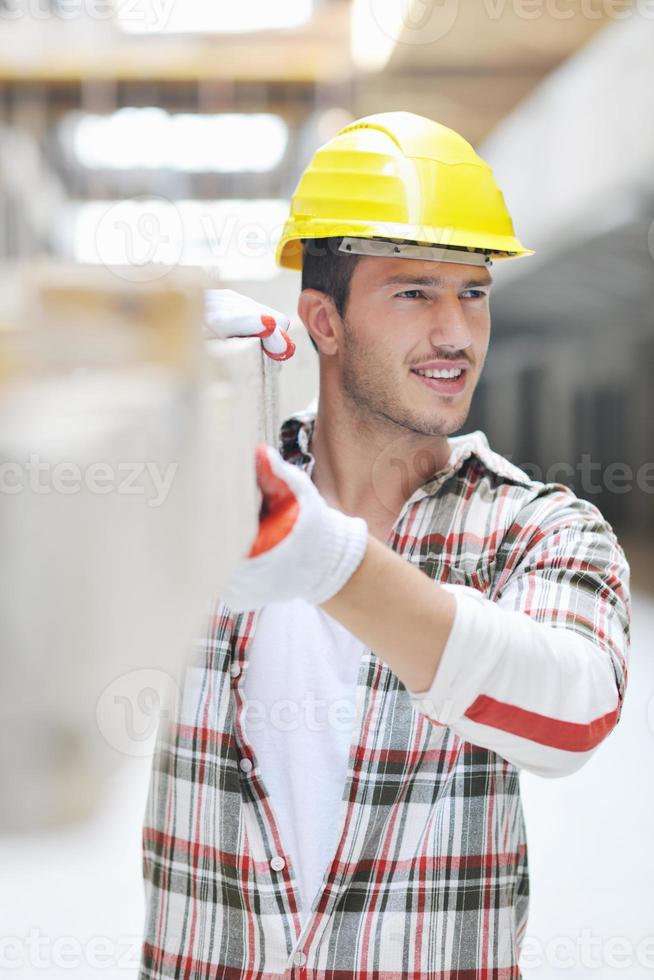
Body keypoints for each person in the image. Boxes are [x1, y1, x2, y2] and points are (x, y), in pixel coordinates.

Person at [138, 112, 631, 979]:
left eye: (472, 292)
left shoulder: (538, 528)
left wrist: (330, 561)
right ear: (322, 322)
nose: (455, 333)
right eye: (414, 293)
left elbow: (572, 713)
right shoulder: (201, 495)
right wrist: (137, 390)